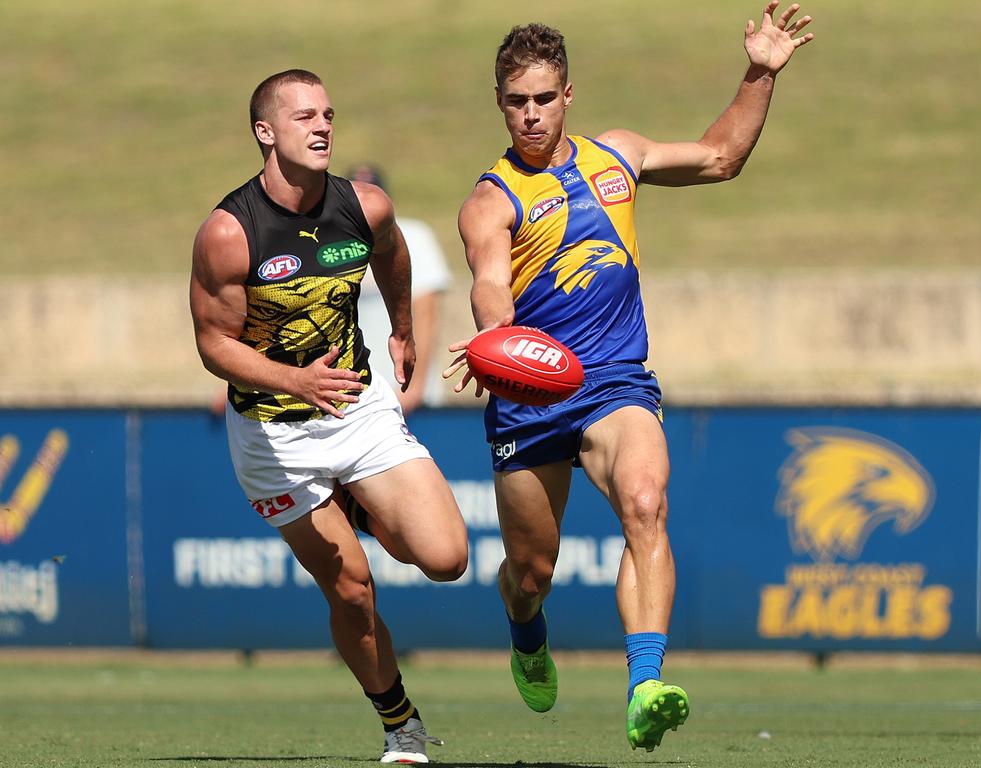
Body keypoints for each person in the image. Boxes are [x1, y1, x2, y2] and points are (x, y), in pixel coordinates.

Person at [444, 2, 813, 753]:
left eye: (544, 99)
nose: (532, 116)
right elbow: (489, 282)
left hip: (614, 380)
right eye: (517, 102)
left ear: (569, 95)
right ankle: (524, 628)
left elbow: (720, 158)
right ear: (499, 104)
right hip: (531, 394)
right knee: (531, 570)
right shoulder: (491, 199)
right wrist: (496, 339)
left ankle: (646, 685)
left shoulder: (617, 156)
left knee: (646, 503)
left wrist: (759, 74)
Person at [189, 68, 467, 765]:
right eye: (305, 116)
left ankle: (361, 506)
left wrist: (402, 330)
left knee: (445, 558)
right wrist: (292, 380)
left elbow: (394, 258)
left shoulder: (363, 206)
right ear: (265, 132)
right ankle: (400, 722)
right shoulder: (229, 233)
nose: (322, 128)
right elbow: (213, 343)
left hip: (357, 405)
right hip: (274, 437)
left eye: (329, 115)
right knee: (350, 588)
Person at [347, 164, 453, 413]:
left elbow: (426, 313)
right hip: (352, 396)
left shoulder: (413, 236)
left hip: (404, 392)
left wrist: (415, 388)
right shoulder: (330, 245)